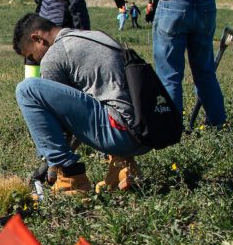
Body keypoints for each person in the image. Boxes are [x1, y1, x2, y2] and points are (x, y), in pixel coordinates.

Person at [11, 12, 149, 196]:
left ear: (37, 38)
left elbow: (63, 126)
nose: (34, 61)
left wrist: (54, 164)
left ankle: (72, 180)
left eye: (31, 55)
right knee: (106, 98)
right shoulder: (95, 36)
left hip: (120, 133)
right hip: (146, 133)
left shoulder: (55, 54)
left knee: (27, 89)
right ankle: (124, 169)